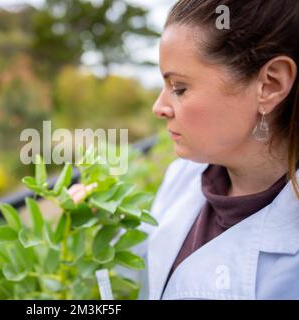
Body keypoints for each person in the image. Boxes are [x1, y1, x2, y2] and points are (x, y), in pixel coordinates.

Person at [71, 0, 299, 300]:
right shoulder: (186, 173)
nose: (159, 107)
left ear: (269, 85)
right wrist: (106, 221)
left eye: (179, 88)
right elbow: (158, 278)